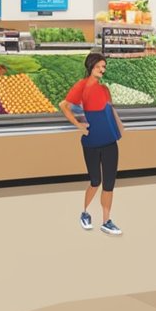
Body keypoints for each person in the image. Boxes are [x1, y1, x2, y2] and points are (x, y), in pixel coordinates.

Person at [59, 53, 125, 235]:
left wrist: (120, 127)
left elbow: (110, 110)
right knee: (95, 181)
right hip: (91, 141)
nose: (102, 70)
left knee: (109, 184)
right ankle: (85, 212)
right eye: (99, 67)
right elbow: (64, 105)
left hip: (110, 141)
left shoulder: (105, 89)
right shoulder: (81, 86)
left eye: (104, 67)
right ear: (91, 67)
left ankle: (106, 220)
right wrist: (79, 125)